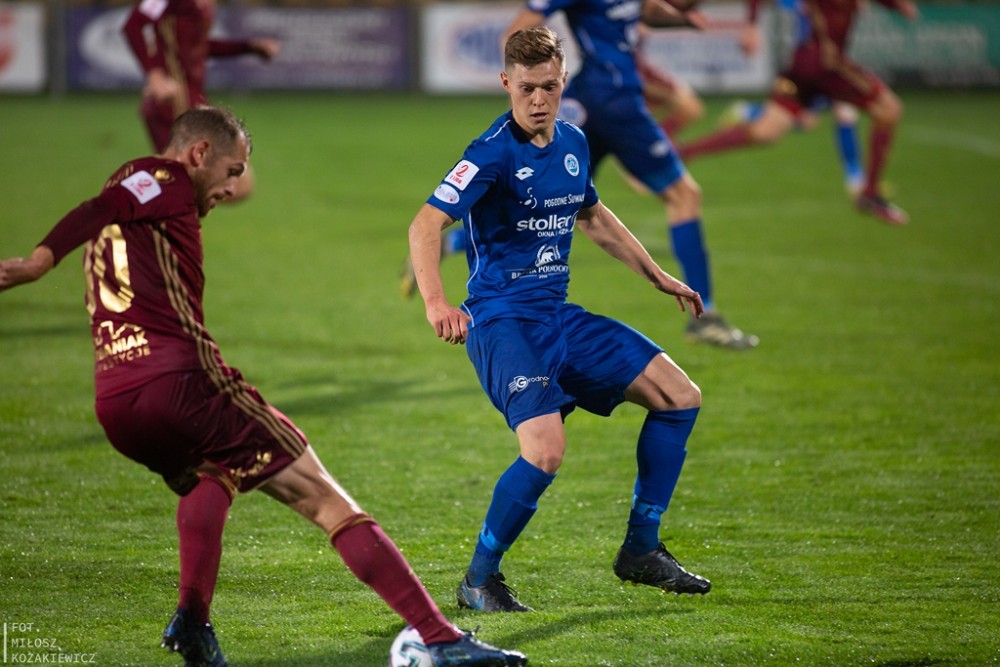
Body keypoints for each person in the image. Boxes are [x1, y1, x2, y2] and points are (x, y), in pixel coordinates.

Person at [0, 107, 527, 667]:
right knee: (324, 497)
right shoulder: (162, 178)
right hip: (180, 382)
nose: (234, 188)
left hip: (116, 402)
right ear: (199, 154)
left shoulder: (137, 199)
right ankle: (439, 639)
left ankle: (193, 621)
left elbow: (109, 206)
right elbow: (98, 207)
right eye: (232, 171)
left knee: (214, 472)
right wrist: (39, 261)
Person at [407, 26, 712, 614]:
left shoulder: (573, 141)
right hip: (502, 322)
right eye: (526, 88)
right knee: (545, 450)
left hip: (557, 317)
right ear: (506, 83)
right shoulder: (490, 152)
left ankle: (641, 550)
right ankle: (479, 580)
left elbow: (592, 216)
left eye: (548, 86)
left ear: (563, 81)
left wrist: (656, 275)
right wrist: (436, 303)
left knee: (680, 396)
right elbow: (425, 225)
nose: (538, 100)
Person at [503, 0, 758, 350]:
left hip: (593, 99)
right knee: (684, 195)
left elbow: (644, 10)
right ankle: (706, 317)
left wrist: (679, 19)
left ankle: (454, 247)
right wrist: (530, 91)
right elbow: (518, 31)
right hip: (616, 101)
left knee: (546, 199)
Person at [677, 0, 919, 226]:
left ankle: (684, 152)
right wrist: (751, 26)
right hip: (828, 64)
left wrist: (896, 6)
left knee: (765, 131)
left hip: (803, 62)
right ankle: (870, 193)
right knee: (889, 109)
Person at [122, 0, 279, 200]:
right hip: (174, 100)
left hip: (192, 97)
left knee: (218, 185)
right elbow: (133, 25)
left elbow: (196, 45)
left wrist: (248, 47)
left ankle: (127, 203)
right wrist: (155, 75)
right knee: (197, 187)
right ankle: (122, 203)